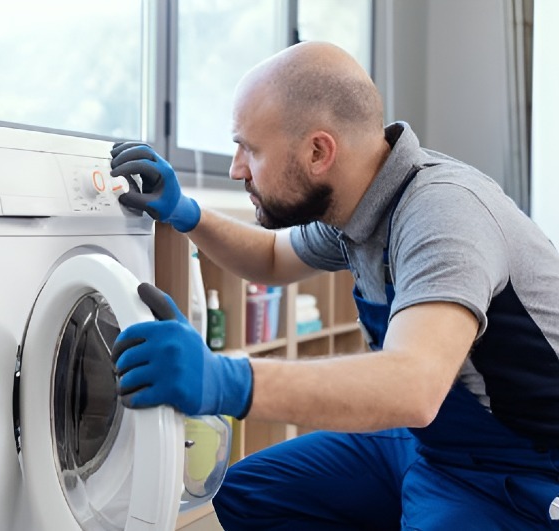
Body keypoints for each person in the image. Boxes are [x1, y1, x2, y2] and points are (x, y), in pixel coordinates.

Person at [109, 41, 559, 529]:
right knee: (246, 495)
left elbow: (414, 384)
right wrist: (185, 214)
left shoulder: (443, 214)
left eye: (250, 149)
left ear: (319, 152)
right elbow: (272, 257)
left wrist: (225, 379)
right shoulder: (357, 200)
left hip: (523, 469)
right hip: (427, 439)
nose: (237, 167)